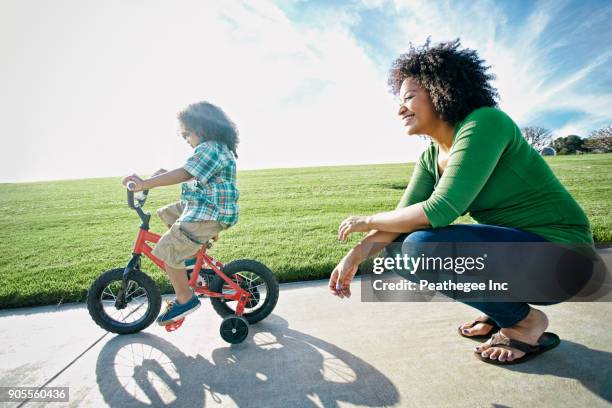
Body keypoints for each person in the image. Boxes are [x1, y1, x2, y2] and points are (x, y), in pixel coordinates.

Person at [328, 39, 594, 365]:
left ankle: (525, 323)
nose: (400, 109)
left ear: (442, 90)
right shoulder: (430, 156)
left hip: (564, 261)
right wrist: (354, 257)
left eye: (410, 97)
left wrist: (368, 220)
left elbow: (440, 209)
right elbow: (402, 219)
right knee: (400, 249)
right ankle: (503, 312)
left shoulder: (485, 123)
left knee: (422, 247)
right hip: (523, 258)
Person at [122, 101, 239, 325]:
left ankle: (185, 298)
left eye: (186, 134)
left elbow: (186, 173)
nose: (186, 140)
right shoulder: (214, 148)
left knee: (167, 248)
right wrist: (160, 175)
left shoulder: (210, 148)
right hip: (204, 207)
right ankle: (190, 256)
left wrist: (146, 183)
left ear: (201, 128)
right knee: (166, 213)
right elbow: (192, 176)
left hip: (209, 212)